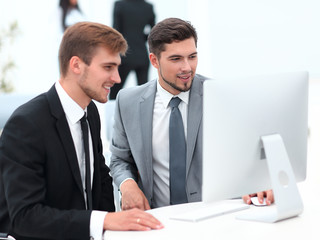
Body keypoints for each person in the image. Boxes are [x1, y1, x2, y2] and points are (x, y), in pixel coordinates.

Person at [0, 22, 163, 240]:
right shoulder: (26, 124)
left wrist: (115, 229)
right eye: (108, 67)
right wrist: (104, 221)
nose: (117, 78)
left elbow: (100, 178)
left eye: (117, 67)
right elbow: (26, 217)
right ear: (76, 65)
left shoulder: (90, 111)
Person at [109, 17, 274, 210]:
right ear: (154, 60)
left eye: (192, 56)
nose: (187, 67)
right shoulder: (128, 101)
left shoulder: (221, 95)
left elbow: (247, 154)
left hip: (215, 215)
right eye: (176, 59)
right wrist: (127, 185)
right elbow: (120, 159)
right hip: (158, 220)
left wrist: (260, 179)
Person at [109, 0, 155, 100]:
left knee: (114, 94)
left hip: (124, 55)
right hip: (142, 55)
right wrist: (141, 37)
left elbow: (115, 32)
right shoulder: (148, 7)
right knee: (145, 95)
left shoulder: (120, 5)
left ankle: (114, 116)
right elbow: (154, 32)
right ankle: (144, 116)